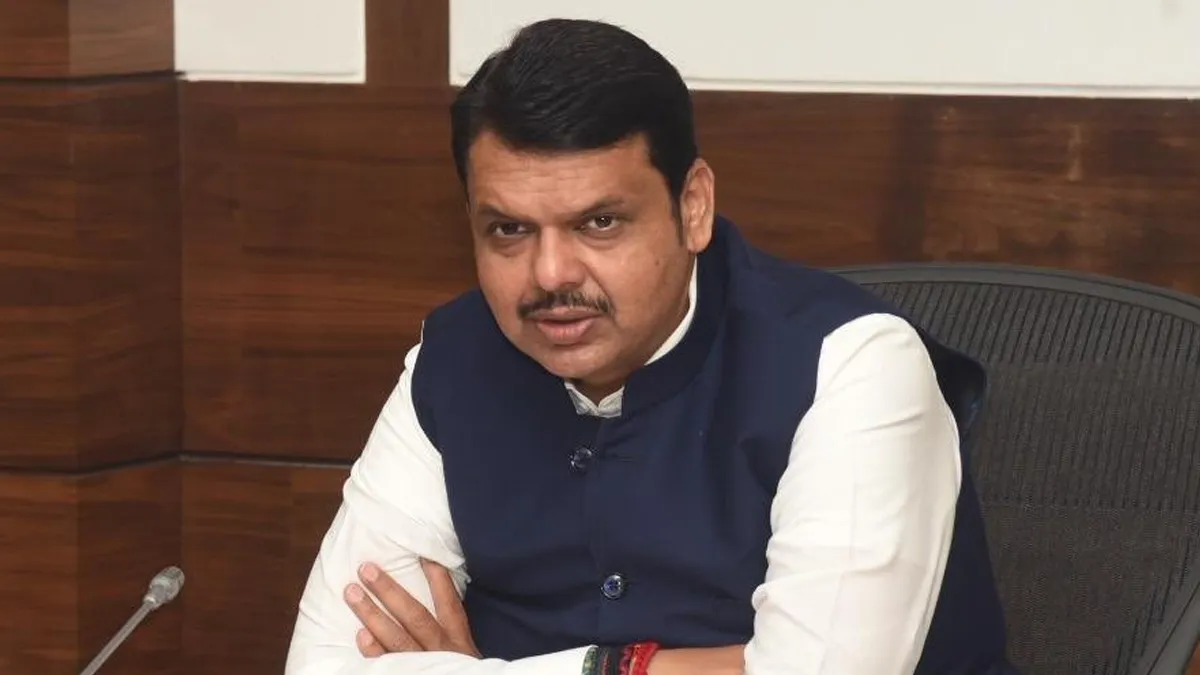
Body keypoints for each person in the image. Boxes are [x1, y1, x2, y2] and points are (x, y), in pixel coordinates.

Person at [284, 17, 1017, 675]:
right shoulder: (452, 361)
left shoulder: (853, 367)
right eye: (509, 229)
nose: (550, 275)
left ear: (692, 206)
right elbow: (324, 664)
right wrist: (637, 667)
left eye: (599, 223)